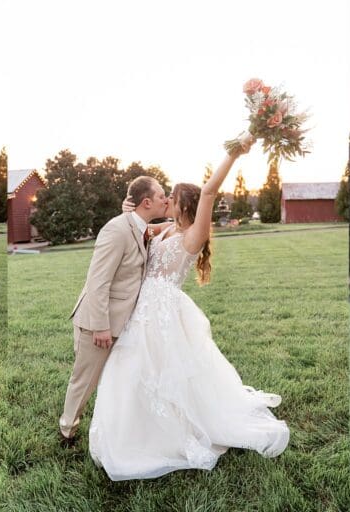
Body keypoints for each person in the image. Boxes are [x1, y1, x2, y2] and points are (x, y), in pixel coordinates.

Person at [88, 133, 289, 480]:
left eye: (172, 197)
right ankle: (129, 432)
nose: (166, 199)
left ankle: (170, 434)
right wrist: (130, 210)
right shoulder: (164, 229)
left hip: (164, 313)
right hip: (143, 309)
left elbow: (209, 191)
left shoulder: (194, 235)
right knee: (131, 368)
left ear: (185, 205)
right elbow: (137, 222)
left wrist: (234, 153)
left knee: (166, 373)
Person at [58, 174, 170, 446]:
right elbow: (98, 281)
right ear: (146, 202)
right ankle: (67, 431)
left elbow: (171, 225)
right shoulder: (116, 230)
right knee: (85, 380)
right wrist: (100, 325)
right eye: (161, 196)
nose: (165, 200)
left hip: (125, 321)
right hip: (99, 322)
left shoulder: (141, 227)